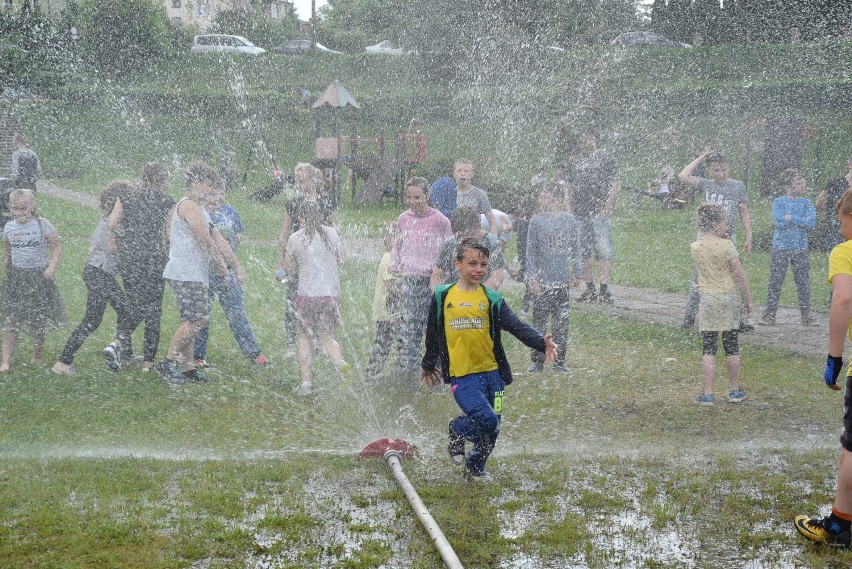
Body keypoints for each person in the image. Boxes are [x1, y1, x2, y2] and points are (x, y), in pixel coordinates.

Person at [420, 237, 558, 481]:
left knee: (494, 427)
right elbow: (432, 334)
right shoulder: (443, 297)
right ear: (457, 264)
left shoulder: (492, 299)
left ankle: (475, 467)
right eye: (472, 264)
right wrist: (428, 364)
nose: (478, 270)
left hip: (494, 378)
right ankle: (457, 429)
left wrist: (540, 342)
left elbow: (516, 326)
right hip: (463, 378)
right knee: (487, 420)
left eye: (483, 264)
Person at [794, 188, 852, 547]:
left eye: (842, 221)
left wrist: (834, 358)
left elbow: (844, 298)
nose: (841, 229)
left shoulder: (845, 253)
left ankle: (839, 526)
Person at [155, 162, 232, 384]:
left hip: (188, 272)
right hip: (187, 273)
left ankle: (188, 369)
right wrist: (221, 265)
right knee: (198, 319)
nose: (210, 190)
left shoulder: (193, 207)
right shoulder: (189, 205)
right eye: (207, 185)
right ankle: (168, 364)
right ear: (196, 183)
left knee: (189, 320)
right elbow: (205, 239)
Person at [52, 182, 131, 375]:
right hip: (99, 272)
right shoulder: (114, 224)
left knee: (93, 319)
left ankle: (64, 362)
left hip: (94, 272)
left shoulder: (107, 219)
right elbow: (113, 248)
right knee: (126, 311)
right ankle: (118, 350)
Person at [103, 162, 175, 372]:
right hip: (153, 258)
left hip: (129, 257)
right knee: (153, 310)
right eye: (167, 179)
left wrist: (125, 237)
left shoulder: (126, 196)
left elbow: (112, 223)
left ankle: (119, 345)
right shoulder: (166, 201)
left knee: (134, 304)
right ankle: (146, 362)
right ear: (160, 181)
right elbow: (168, 235)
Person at [679, 148, 753, 329]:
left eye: (724, 169)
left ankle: (737, 317)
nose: (721, 173)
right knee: (699, 275)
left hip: (728, 236)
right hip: (705, 237)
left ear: (729, 167)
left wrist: (749, 235)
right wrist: (702, 156)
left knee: (732, 275)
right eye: (716, 170)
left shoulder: (737, 186)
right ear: (709, 171)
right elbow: (683, 175)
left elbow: (743, 212)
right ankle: (690, 315)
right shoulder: (705, 184)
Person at [192, 195, 269, 368]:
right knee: (202, 317)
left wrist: (234, 265)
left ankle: (253, 352)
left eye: (220, 192)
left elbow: (236, 239)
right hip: (204, 273)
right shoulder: (199, 213)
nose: (216, 197)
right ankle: (198, 356)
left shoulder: (229, 212)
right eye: (213, 192)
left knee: (237, 314)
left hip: (227, 273)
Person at [389, 177, 452, 384]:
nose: (412, 201)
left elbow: (449, 250)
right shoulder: (403, 219)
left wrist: (444, 273)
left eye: (417, 197)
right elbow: (397, 246)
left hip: (432, 281)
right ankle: (410, 373)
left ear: (427, 196)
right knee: (413, 326)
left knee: (434, 327)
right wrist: (395, 265)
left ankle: (440, 371)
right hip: (410, 278)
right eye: (408, 196)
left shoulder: (440, 221)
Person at [283, 201, 349, 396]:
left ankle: (306, 383)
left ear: (300, 218)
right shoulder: (332, 233)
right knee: (327, 337)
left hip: (307, 295)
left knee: (305, 337)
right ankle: (340, 363)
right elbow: (342, 259)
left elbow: (289, 269)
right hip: (330, 295)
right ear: (321, 216)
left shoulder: (295, 238)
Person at [690, 203, 753, 405]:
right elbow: (739, 274)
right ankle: (735, 390)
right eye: (725, 221)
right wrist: (748, 298)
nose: (727, 225)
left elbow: (709, 256)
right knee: (731, 345)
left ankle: (707, 393)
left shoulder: (695, 246)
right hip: (729, 298)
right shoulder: (727, 246)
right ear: (716, 224)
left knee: (708, 347)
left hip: (708, 300)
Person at [275, 163, 336, 358]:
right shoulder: (293, 203)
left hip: (319, 259)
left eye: (301, 180)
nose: (298, 184)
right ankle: (292, 344)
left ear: (313, 181)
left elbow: (334, 230)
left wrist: (335, 256)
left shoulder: (326, 202)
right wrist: (280, 260)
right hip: (298, 258)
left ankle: (318, 340)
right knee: (293, 299)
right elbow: (284, 233)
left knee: (319, 299)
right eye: (296, 180)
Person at [1, 189, 65, 373]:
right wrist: (7, 268)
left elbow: (57, 246)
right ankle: (5, 361)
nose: (20, 212)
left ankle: (37, 353)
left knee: (38, 320)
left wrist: (51, 267)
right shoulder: (9, 227)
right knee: (12, 321)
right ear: (10, 208)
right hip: (16, 278)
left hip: (39, 277)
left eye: (24, 208)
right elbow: (8, 249)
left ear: (32, 207)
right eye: (15, 208)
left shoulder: (41, 224)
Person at [558, 129, 619, 304]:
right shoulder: (574, 161)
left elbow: (615, 183)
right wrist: (568, 207)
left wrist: (607, 207)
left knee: (603, 251)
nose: (584, 143)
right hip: (578, 213)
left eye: (586, 139)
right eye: (581, 141)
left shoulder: (606, 158)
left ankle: (604, 290)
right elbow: (566, 186)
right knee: (583, 251)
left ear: (593, 139)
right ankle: (590, 289)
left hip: (599, 212)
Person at [525, 182, 577, 374]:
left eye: (546, 197)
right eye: (541, 197)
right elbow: (530, 252)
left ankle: (560, 361)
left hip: (562, 281)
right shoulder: (536, 222)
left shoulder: (569, 220)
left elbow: (576, 247)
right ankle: (537, 361)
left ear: (557, 200)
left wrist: (576, 272)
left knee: (561, 323)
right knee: (539, 323)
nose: (542, 201)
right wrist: (532, 278)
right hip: (542, 282)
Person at [760, 168, 816, 326]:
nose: (802, 185)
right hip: (781, 247)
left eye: (803, 182)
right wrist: (799, 220)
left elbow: (811, 223)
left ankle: (806, 314)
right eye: (799, 182)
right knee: (776, 280)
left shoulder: (807, 202)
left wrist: (791, 217)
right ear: (788, 186)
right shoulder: (778, 202)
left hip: (801, 248)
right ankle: (770, 314)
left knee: (802, 281)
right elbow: (779, 221)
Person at [431, 206, 506, 290]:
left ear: (479, 227)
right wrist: (438, 294)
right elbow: (436, 274)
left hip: (482, 296)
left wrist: (472, 295)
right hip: (455, 295)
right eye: (460, 236)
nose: (463, 239)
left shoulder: (491, 242)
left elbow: (496, 278)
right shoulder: (451, 243)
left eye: (467, 235)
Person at [365, 222, 402, 379]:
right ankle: (373, 372)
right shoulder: (390, 258)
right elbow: (390, 284)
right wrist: (406, 294)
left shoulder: (388, 256)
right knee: (390, 343)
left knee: (386, 343)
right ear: (389, 239)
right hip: (389, 311)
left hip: (386, 311)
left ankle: (374, 371)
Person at [815, 157, 852, 253]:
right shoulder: (835, 182)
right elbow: (819, 203)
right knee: (837, 259)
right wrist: (835, 213)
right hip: (835, 230)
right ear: (849, 164)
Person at [453, 159, 499, 236]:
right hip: (455, 237)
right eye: (459, 171)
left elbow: (492, 222)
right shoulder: (450, 193)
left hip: (474, 238)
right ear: (454, 174)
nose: (462, 174)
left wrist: (493, 241)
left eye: (466, 171)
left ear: (471, 175)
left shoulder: (479, 194)